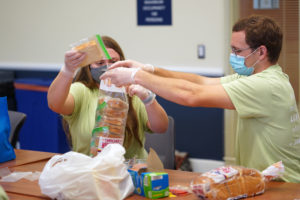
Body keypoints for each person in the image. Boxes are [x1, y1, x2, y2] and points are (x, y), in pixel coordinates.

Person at [100, 15, 300, 182]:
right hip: (266, 180)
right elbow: (201, 82)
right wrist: (149, 69)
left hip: (284, 186)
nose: (233, 55)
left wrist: (137, 77)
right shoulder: (255, 76)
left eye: (237, 51)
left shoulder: (265, 85)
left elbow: (191, 95)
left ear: (261, 52)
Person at [47, 35, 169, 159]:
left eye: (113, 61)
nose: (107, 66)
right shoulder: (82, 91)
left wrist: (148, 99)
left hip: (131, 172)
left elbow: (161, 127)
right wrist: (67, 70)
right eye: (99, 63)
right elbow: (55, 104)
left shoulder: (133, 91)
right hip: (89, 171)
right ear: (89, 67)